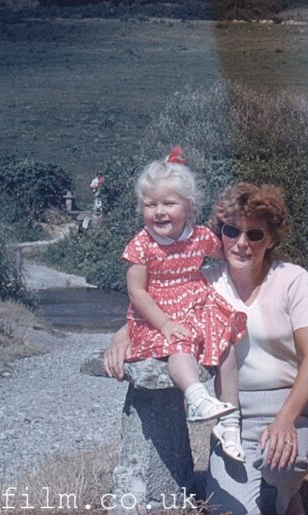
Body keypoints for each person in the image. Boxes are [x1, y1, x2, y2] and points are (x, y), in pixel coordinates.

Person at [105, 182, 308, 515]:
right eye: (231, 231)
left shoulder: (291, 279)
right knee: (227, 511)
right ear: (219, 233)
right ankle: (275, 494)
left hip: (295, 411)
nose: (241, 243)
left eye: (254, 235)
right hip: (235, 416)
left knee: (280, 464)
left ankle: (285, 494)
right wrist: (122, 334)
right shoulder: (207, 281)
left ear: (271, 240)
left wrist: (285, 420)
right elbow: (159, 306)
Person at [122, 147, 248, 461]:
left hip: (196, 305)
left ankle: (230, 420)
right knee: (179, 345)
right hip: (157, 314)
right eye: (150, 204)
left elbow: (226, 251)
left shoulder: (199, 236)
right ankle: (195, 395)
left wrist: (249, 248)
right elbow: (137, 292)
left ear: (188, 208)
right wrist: (164, 323)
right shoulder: (142, 245)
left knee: (227, 346)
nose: (159, 211)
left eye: (168, 203)